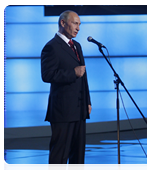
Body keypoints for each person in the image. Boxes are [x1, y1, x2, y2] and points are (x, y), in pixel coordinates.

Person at [41, 10, 92, 170]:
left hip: (79, 108)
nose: (78, 28)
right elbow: (47, 75)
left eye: (79, 25)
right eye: (75, 23)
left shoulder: (77, 46)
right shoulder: (51, 47)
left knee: (78, 155)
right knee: (60, 155)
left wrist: (88, 101)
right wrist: (72, 73)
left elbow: (83, 76)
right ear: (63, 23)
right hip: (62, 111)